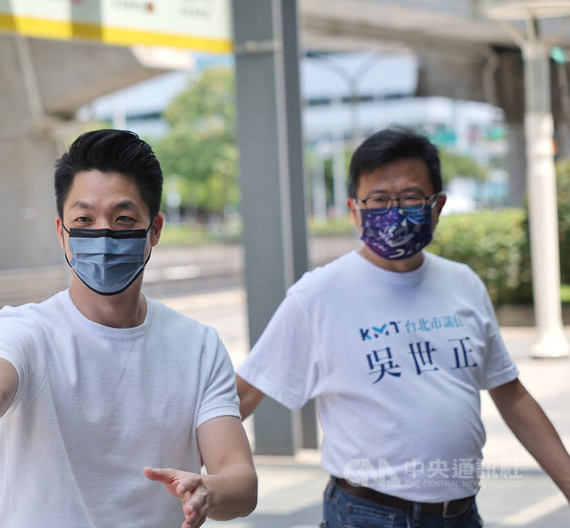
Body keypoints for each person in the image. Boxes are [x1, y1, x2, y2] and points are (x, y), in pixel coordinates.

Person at [0, 129, 257, 528]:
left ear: (155, 230)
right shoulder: (23, 331)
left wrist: (207, 491)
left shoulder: (198, 346)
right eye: (84, 219)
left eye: (123, 218)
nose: (103, 234)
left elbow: (239, 478)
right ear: (62, 232)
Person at [237, 126, 570, 527]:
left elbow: (511, 394)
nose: (394, 211)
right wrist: (196, 476)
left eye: (411, 197)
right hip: (367, 514)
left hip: (461, 514)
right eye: (378, 199)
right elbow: (242, 394)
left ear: (437, 205)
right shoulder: (318, 295)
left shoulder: (463, 283)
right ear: (354, 209)